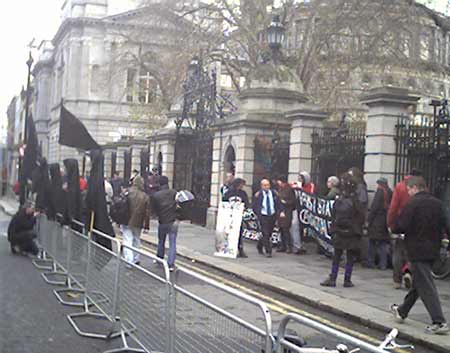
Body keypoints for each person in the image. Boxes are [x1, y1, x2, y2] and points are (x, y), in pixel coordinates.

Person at [390, 176, 449, 335]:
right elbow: (446, 224)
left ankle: (439, 321)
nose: (408, 193)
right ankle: (402, 311)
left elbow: (401, 225)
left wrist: (394, 228)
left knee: (426, 286)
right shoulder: (438, 203)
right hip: (434, 250)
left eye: (409, 190)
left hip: (417, 249)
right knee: (419, 283)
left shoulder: (412, 204)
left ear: (415, 188)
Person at [321, 173, 365, 288]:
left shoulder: (340, 198)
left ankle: (333, 278)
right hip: (351, 232)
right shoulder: (355, 200)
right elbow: (361, 216)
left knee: (337, 256)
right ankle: (347, 280)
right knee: (350, 257)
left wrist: (334, 228)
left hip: (339, 231)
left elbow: (333, 214)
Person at [388, 169, 422, 289]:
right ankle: (408, 272)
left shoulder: (400, 186)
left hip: (401, 222)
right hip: (416, 224)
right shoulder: (422, 187)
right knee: (411, 252)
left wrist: (391, 223)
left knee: (398, 252)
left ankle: (397, 280)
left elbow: (393, 206)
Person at [151, 176, 178, 271]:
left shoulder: (156, 195)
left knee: (161, 241)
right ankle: (170, 264)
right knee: (172, 243)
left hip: (162, 221)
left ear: (159, 183)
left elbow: (153, 210)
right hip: (173, 221)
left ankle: (159, 258)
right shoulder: (174, 193)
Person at [121, 176, 150, 265]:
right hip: (138, 221)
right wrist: (147, 226)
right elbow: (147, 213)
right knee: (137, 240)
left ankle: (129, 260)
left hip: (126, 220)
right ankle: (136, 258)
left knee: (127, 240)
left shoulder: (127, 192)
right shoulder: (145, 196)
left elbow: (121, 206)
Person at [367, 178, 392, 270]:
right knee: (383, 244)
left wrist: (369, 219)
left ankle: (370, 261)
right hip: (385, 221)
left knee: (372, 242)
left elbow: (374, 207)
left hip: (377, 221)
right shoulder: (389, 192)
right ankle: (383, 264)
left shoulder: (380, 192)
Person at [253, 178, 282, 258]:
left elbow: (278, 203)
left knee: (268, 233)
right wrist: (258, 214)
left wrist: (281, 211)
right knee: (265, 233)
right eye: (265, 185)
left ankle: (259, 245)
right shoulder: (258, 194)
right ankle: (268, 251)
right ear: (261, 186)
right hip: (263, 215)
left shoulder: (274, 193)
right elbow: (254, 205)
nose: (267, 187)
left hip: (272, 215)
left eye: (268, 185)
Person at [290, 171, 316, 254]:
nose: (299, 180)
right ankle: (297, 246)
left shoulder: (312, 186)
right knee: (294, 225)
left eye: (301, 178)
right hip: (297, 209)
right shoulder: (295, 184)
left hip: (308, 210)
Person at [223, 178, 249, 258]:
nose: (242, 186)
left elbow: (246, 203)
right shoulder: (228, 193)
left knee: (239, 233)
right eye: (241, 184)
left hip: (238, 215)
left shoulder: (243, 193)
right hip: (230, 215)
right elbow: (224, 202)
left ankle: (240, 250)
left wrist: (245, 209)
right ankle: (230, 249)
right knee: (230, 233)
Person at [276, 176, 296, 253]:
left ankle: (288, 246)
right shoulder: (280, 189)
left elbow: (293, 201)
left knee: (286, 229)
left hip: (287, 211)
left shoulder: (289, 189)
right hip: (280, 211)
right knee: (281, 229)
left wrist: (285, 202)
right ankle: (282, 245)